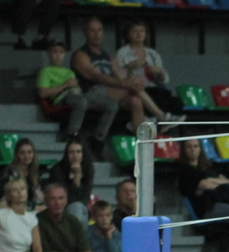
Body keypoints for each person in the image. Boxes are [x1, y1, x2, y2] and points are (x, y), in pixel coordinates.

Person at [70, 18, 146, 158]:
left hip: (110, 93)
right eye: (92, 31)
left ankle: (142, 145)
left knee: (135, 101)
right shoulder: (80, 54)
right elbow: (96, 76)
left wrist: (133, 80)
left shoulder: (108, 56)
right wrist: (127, 84)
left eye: (99, 30)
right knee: (131, 89)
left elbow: (122, 77)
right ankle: (159, 115)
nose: (96, 34)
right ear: (85, 33)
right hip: (90, 93)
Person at [38, 183, 112, 252]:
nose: (57, 203)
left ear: (66, 200)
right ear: (46, 201)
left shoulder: (73, 221)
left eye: (61, 198)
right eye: (53, 199)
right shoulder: (39, 222)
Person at [115, 20, 184, 120]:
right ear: (128, 35)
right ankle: (156, 121)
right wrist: (130, 66)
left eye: (142, 31)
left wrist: (159, 72)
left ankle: (161, 122)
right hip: (135, 89)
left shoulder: (153, 54)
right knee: (160, 102)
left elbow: (165, 80)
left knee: (177, 103)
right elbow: (118, 76)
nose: (139, 34)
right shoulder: (122, 53)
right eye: (135, 31)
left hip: (154, 88)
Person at [37, 41, 89, 137]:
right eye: (55, 52)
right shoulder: (45, 71)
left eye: (61, 52)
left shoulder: (70, 72)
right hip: (60, 98)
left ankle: (99, 137)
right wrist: (65, 85)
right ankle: (72, 133)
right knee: (81, 102)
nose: (58, 55)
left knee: (110, 105)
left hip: (75, 94)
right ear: (48, 54)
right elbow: (42, 93)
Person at [45, 136, 93, 226]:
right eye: (71, 152)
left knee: (79, 208)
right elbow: (66, 198)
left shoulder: (88, 169)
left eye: (78, 152)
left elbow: (85, 197)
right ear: (66, 154)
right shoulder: (57, 170)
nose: (75, 156)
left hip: (81, 208)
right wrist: (76, 177)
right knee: (77, 208)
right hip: (62, 208)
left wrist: (77, 175)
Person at [2, 137, 44, 210]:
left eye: (29, 152)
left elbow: (37, 195)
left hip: (29, 207)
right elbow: (10, 199)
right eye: (22, 153)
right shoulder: (11, 171)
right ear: (17, 155)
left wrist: (40, 196)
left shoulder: (34, 171)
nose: (26, 156)